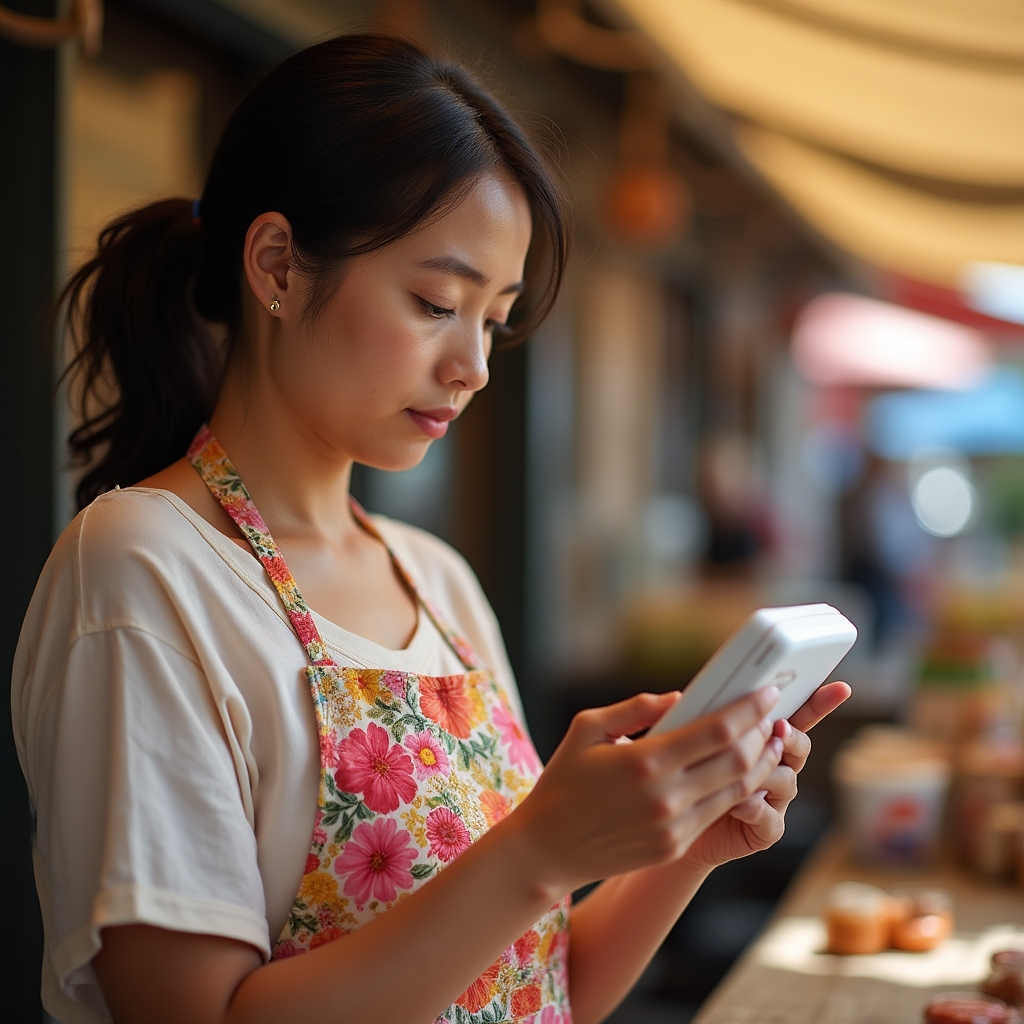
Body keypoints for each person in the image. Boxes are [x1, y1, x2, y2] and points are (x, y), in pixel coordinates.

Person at [11, 34, 850, 1024]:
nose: (474, 365)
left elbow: (541, 986)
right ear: (276, 265)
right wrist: (536, 851)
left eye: (492, 319)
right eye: (434, 303)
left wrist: (686, 841)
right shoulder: (144, 569)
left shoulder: (436, 579)